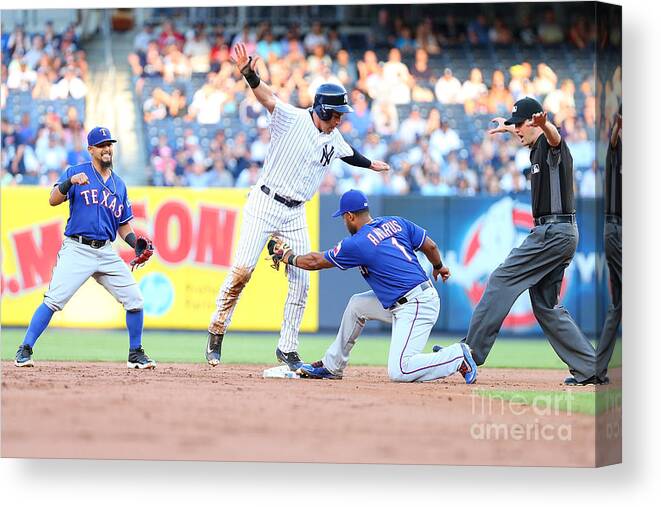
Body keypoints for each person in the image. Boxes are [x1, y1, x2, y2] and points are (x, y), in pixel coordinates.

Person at [205, 43, 390, 370]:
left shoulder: (334, 138)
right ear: (321, 110)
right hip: (264, 202)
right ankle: (217, 330)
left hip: (295, 213)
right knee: (242, 271)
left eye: (340, 116)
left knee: (302, 280)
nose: (339, 120)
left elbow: (350, 154)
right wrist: (248, 72)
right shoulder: (291, 118)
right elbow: (267, 97)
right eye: (335, 115)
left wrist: (370, 164)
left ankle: (287, 349)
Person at [266, 189, 477, 383]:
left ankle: (456, 356)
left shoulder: (358, 242)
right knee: (357, 305)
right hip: (408, 299)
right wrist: (438, 266)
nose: (344, 222)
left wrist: (288, 256)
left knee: (400, 370)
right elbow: (430, 245)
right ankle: (333, 366)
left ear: (350, 216)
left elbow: (315, 261)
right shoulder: (396, 222)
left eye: (343, 218)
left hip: (416, 304)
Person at [466, 97, 597, 384]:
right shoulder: (534, 146)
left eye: (519, 126)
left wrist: (546, 124)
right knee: (546, 306)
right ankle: (590, 368)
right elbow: (530, 131)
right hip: (559, 233)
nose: (517, 132)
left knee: (502, 278)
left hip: (552, 233)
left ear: (533, 123)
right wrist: (507, 127)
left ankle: (469, 353)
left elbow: (554, 137)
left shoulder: (551, 147)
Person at [14, 127, 156, 369]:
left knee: (135, 299)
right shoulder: (77, 172)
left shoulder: (119, 185)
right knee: (54, 300)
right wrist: (69, 183)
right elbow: (52, 199)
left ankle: (135, 353)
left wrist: (135, 244)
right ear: (91, 149)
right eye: (101, 145)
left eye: (109, 144)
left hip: (106, 251)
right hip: (77, 249)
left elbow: (123, 225)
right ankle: (25, 349)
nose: (107, 149)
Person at [595, 110, 622, 384]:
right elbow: (614, 139)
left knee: (619, 306)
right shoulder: (618, 151)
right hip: (617, 229)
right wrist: (617, 125)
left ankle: (597, 369)